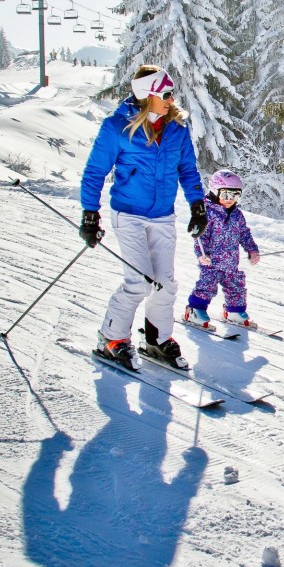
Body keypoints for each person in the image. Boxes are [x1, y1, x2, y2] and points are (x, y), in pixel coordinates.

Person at [79, 65, 207, 370]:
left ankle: (157, 339)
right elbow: (95, 171)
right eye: (164, 94)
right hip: (129, 214)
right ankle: (111, 338)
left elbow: (187, 170)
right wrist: (89, 214)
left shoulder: (176, 128)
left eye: (171, 93)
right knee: (137, 282)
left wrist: (197, 205)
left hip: (162, 215)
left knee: (165, 283)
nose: (170, 99)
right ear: (147, 95)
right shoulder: (117, 128)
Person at [184, 169, 261, 329]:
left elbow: (244, 234)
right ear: (215, 190)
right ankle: (194, 310)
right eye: (226, 195)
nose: (230, 200)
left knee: (236, 287)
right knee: (207, 287)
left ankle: (234, 311)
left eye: (235, 195)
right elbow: (200, 238)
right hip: (211, 262)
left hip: (231, 263)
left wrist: (252, 250)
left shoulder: (237, 215)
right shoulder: (207, 213)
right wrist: (201, 255)